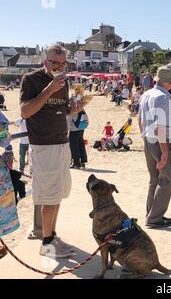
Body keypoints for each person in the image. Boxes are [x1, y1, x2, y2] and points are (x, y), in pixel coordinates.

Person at [20, 44, 81, 259]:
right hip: (43, 146)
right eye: (56, 62)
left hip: (61, 142)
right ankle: (46, 243)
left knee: (58, 194)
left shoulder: (63, 82)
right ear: (46, 61)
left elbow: (62, 109)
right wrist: (48, 90)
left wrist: (73, 107)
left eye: (64, 63)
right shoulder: (31, 79)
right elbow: (26, 111)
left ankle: (51, 235)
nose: (60, 66)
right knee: (49, 195)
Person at [139, 66, 171, 229]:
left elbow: (140, 120)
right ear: (168, 82)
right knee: (165, 180)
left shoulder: (146, 94)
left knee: (154, 179)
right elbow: (160, 127)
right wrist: (164, 152)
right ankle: (154, 217)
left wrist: (145, 140)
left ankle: (152, 213)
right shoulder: (164, 98)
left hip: (149, 139)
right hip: (161, 141)